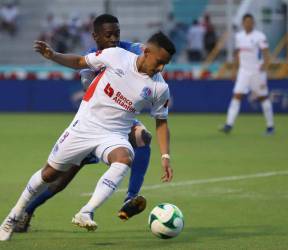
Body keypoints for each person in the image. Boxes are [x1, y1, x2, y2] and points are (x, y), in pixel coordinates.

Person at [0, 31, 175, 241]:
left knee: (124, 158)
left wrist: (165, 157)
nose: (161, 68)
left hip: (114, 135)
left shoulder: (159, 87)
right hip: (84, 128)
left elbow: (161, 122)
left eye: (165, 64)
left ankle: (86, 211)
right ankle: (13, 216)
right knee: (48, 175)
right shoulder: (116, 56)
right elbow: (80, 61)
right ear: (146, 52)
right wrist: (53, 55)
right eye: (159, 62)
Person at [220, 14, 274, 134]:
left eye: (250, 21)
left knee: (263, 97)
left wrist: (265, 65)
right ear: (243, 23)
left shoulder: (260, 36)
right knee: (236, 96)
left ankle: (270, 126)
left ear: (253, 23)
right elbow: (237, 54)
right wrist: (234, 70)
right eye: (246, 22)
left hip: (257, 72)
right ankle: (229, 124)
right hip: (243, 72)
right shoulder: (239, 37)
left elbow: (266, 53)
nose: (248, 23)